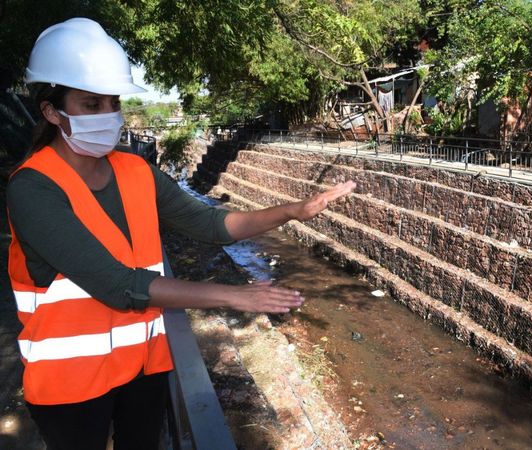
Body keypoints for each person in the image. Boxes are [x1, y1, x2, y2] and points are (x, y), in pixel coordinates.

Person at [6, 18, 355, 450]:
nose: (108, 115)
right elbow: (119, 285)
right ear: (50, 111)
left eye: (113, 102)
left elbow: (214, 225)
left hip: (143, 369)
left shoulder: (136, 171)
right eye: (91, 104)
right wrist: (234, 295)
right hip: (70, 382)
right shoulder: (33, 188)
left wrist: (294, 211)